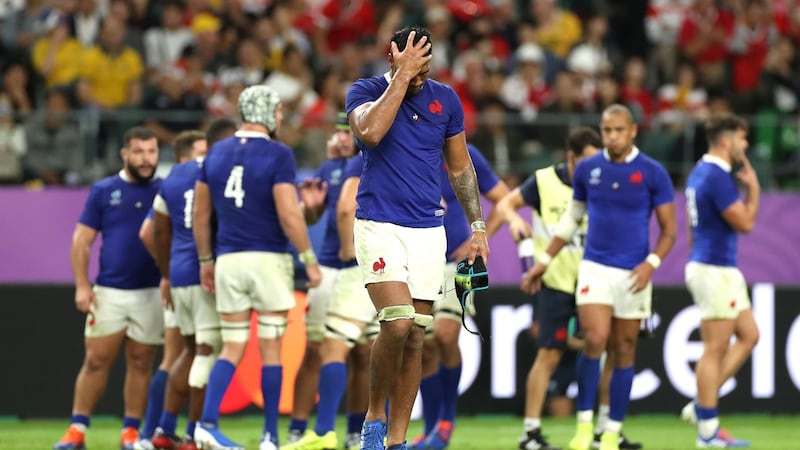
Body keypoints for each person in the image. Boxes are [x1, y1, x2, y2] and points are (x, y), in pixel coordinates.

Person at [345, 25, 490, 450]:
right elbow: (369, 132)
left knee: (417, 334)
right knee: (397, 322)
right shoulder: (365, 89)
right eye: (413, 62)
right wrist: (401, 78)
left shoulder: (445, 99)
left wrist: (478, 226)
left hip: (429, 230)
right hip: (378, 223)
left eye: (426, 64)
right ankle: (374, 418)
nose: (421, 74)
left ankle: (397, 441)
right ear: (392, 55)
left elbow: (461, 168)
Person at [523, 104, 677, 450]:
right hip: (594, 266)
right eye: (607, 130)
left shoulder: (653, 172)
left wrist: (651, 263)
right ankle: (583, 427)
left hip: (635, 271)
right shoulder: (589, 168)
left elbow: (670, 231)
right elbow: (572, 218)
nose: (612, 137)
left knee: (623, 349)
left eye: (619, 130)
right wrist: (544, 260)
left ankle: (610, 431)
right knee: (594, 338)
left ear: (633, 131)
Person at [192, 84, 322, 450]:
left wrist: (205, 259)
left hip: (227, 259)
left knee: (231, 347)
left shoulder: (215, 153)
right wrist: (309, 260)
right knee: (270, 349)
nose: (281, 117)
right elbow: (288, 213)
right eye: (279, 110)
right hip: (267, 258)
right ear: (267, 112)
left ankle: (206, 423)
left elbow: (200, 214)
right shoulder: (279, 154)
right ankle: (269, 437)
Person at [54, 127, 163, 450]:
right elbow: (82, 240)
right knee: (96, 360)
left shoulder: (165, 190)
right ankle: (77, 430)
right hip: (111, 291)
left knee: (142, 361)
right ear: (125, 154)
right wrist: (82, 285)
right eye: (139, 152)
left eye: (152, 152)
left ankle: (131, 432)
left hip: (153, 291)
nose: (146, 159)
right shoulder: (105, 190)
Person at [496, 127, 601, 450]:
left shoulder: (600, 182)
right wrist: (514, 220)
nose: (594, 169)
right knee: (548, 355)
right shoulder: (543, 181)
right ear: (571, 158)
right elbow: (505, 205)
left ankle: (604, 430)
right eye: (587, 161)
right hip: (554, 281)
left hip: (593, 281)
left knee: (602, 351)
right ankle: (530, 433)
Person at [282, 137, 381, 450]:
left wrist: (347, 247)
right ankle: (300, 427)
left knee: (359, 352)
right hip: (334, 266)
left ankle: (349, 431)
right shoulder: (331, 169)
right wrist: (311, 210)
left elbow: (344, 210)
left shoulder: (367, 162)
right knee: (317, 349)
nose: (340, 139)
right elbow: (313, 216)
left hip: (358, 264)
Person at [411, 144, 509, 450]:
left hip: (458, 264)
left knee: (444, 335)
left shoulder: (462, 152)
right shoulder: (407, 148)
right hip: (418, 259)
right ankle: (430, 431)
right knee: (424, 345)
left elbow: (504, 199)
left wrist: (477, 239)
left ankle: (447, 421)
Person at [682, 114, 760, 448]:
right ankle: (708, 432)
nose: (746, 146)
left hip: (713, 265)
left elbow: (691, 230)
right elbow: (744, 224)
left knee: (750, 335)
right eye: (742, 139)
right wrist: (753, 188)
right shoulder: (716, 177)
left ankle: (702, 403)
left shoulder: (699, 172)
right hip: (715, 269)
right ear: (727, 142)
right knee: (715, 348)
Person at [135, 130, 212, 450]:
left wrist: (166, 273)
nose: (208, 155)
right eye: (202, 150)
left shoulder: (171, 179)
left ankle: (158, 431)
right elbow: (147, 232)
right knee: (200, 354)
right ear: (186, 155)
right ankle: (191, 432)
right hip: (200, 275)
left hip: (176, 277)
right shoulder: (203, 176)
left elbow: (150, 232)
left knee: (182, 355)